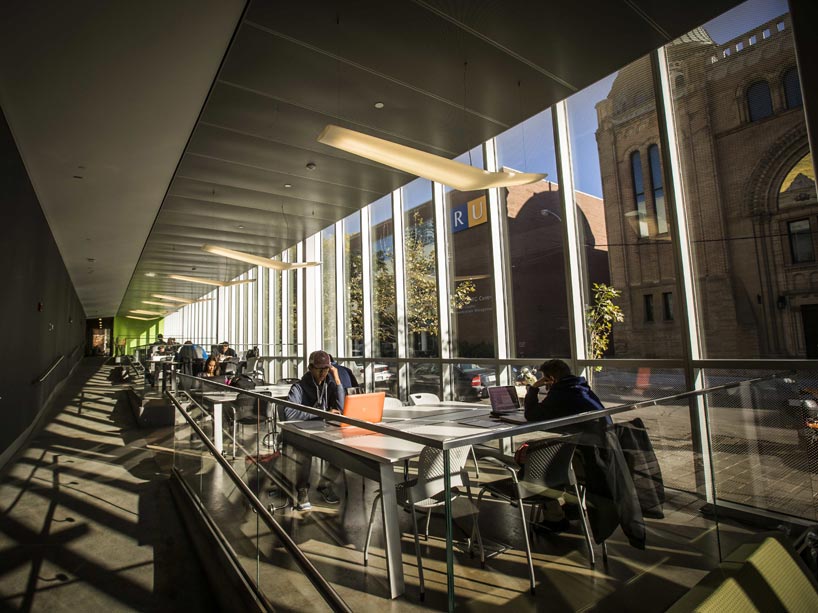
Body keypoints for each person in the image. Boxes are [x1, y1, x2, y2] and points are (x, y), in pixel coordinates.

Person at [522, 359, 610, 532]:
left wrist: (533, 388)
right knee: (562, 456)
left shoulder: (561, 393)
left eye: (544, 378)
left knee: (538, 461)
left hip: (590, 462)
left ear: (552, 379)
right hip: (600, 455)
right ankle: (573, 507)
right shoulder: (581, 388)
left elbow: (532, 414)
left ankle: (554, 518)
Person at [284, 350, 346, 510]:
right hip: (302, 433)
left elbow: (340, 408)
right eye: (319, 369)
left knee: (341, 452)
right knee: (305, 453)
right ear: (310, 368)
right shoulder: (298, 387)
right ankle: (302, 490)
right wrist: (321, 415)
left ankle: (325, 485)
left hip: (323, 431)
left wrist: (337, 380)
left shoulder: (330, 384)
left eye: (326, 369)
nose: (323, 373)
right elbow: (289, 414)